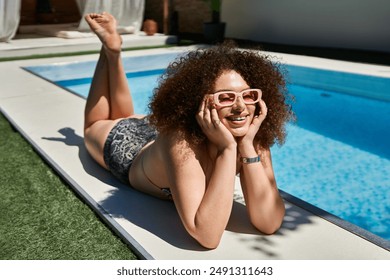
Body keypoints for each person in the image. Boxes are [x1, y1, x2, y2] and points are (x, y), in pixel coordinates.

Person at [83, 12, 294, 249]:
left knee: (128, 113)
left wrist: (245, 146)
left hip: (156, 137)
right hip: (128, 148)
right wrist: (227, 149)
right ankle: (111, 50)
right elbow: (207, 236)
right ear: (201, 102)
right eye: (225, 97)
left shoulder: (253, 137)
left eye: (249, 95)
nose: (240, 107)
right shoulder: (180, 141)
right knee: (99, 123)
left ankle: (113, 50)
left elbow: (269, 222)